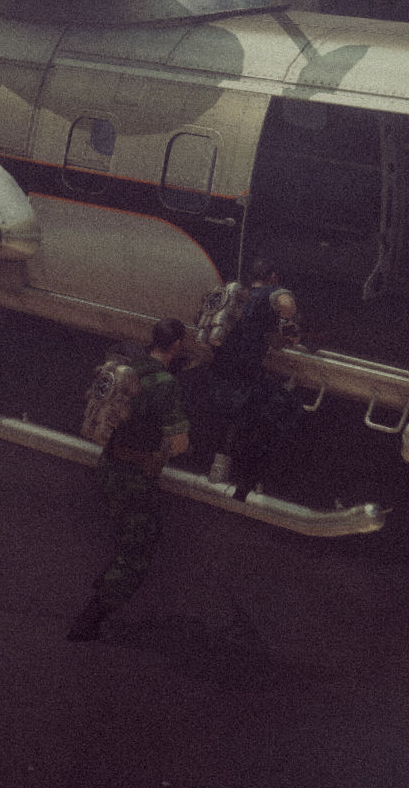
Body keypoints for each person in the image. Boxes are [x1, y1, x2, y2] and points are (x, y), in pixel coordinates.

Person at [70, 321, 195, 642]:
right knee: (136, 553)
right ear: (177, 345)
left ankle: (108, 581)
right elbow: (179, 444)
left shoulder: (128, 368)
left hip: (109, 464)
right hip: (135, 478)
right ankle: (91, 618)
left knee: (126, 532)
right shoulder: (166, 384)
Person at [197, 263, 306, 501]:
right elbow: (285, 303)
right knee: (286, 411)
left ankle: (218, 467)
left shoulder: (236, 299)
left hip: (217, 379)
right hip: (241, 386)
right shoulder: (269, 293)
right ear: (273, 277)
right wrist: (290, 325)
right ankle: (253, 485)